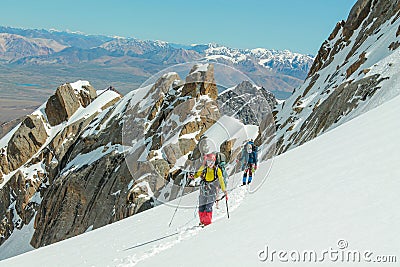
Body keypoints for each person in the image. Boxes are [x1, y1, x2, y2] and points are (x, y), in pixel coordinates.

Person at [189, 153, 228, 226]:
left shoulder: (217, 170)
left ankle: (207, 222)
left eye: (211, 162)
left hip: (212, 189)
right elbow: (197, 174)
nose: (210, 163)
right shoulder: (204, 168)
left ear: (214, 162)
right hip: (204, 188)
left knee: (208, 206)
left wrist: (224, 190)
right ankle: (202, 221)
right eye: (208, 161)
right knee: (201, 206)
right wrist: (193, 176)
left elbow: (221, 181)